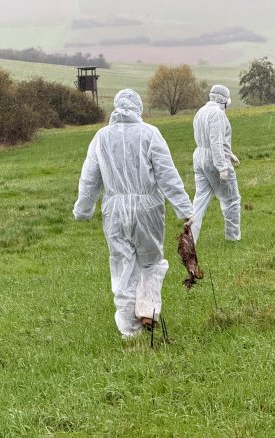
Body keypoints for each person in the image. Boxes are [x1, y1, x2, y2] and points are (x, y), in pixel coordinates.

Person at [73, 89, 194, 339]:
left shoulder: (101, 137)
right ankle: (148, 309)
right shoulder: (150, 133)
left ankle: (130, 330)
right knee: (150, 262)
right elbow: (166, 174)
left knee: (123, 265)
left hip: (115, 210)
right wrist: (185, 209)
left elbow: (89, 178)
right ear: (137, 109)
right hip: (148, 208)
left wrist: (83, 210)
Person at [190, 84, 241, 243]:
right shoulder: (217, 114)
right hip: (214, 159)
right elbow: (216, 142)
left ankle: (190, 239)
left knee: (199, 201)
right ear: (223, 99)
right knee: (231, 200)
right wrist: (223, 167)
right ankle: (233, 238)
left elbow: (206, 139)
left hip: (199, 158)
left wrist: (229, 154)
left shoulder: (201, 112)